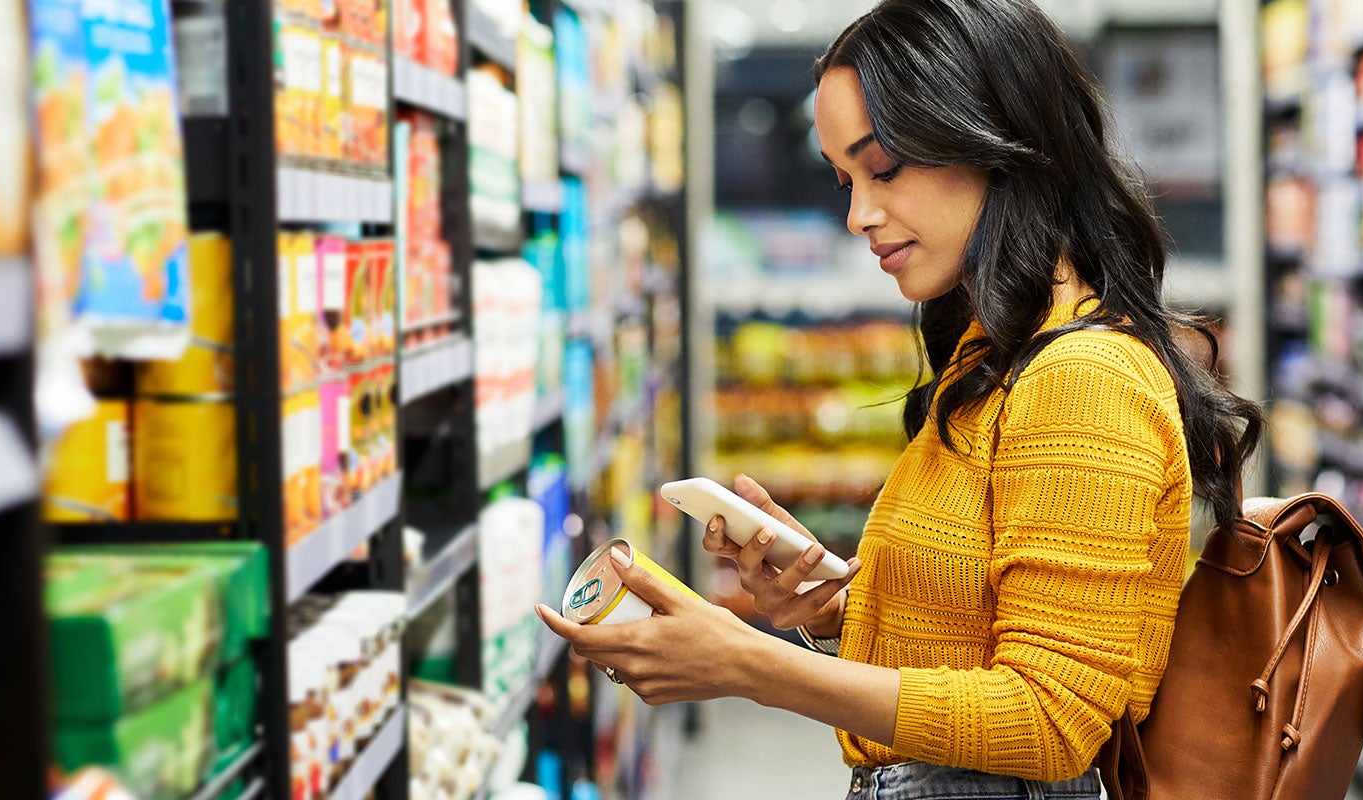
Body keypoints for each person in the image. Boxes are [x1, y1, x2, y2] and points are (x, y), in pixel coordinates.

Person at [536, 0, 1264, 797]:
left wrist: (748, 664)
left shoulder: (1082, 377)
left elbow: (1054, 721)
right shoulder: (997, 355)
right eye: (844, 179)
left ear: (997, 142)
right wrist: (838, 607)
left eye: (883, 168)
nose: (858, 215)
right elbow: (979, 638)